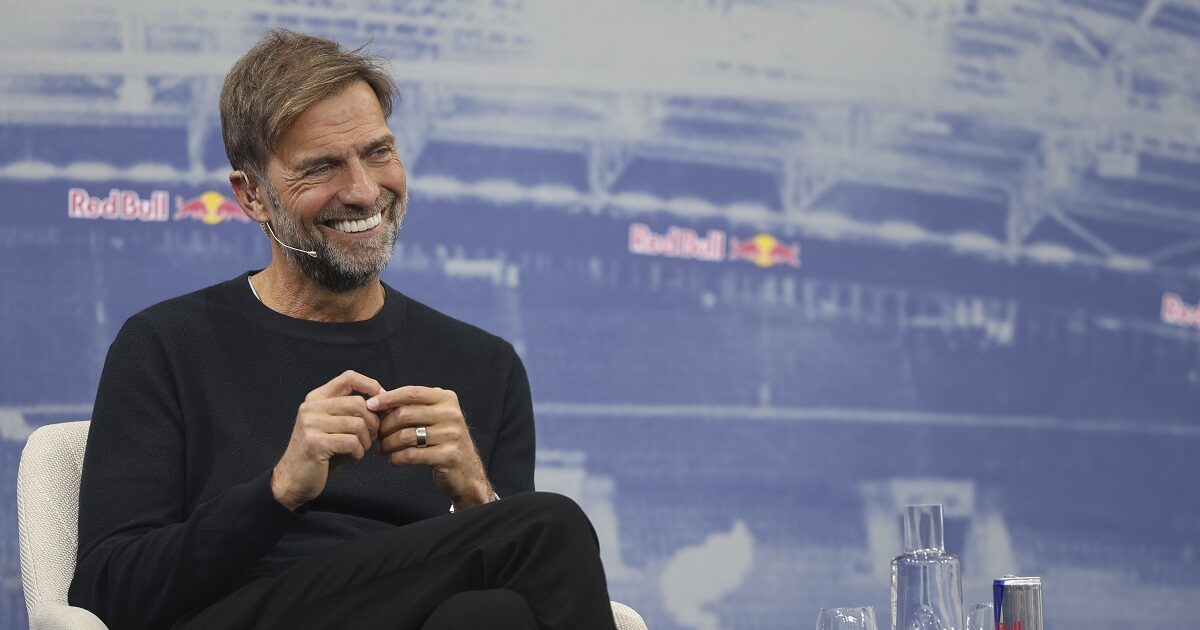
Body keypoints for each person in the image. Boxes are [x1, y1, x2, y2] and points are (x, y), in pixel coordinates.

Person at [67, 29, 617, 630]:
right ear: (252, 195)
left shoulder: (485, 365)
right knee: (547, 526)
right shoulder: (166, 344)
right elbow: (106, 594)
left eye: (378, 152)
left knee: (493, 614)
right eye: (323, 166)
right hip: (244, 613)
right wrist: (278, 490)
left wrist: (475, 497)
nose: (362, 190)